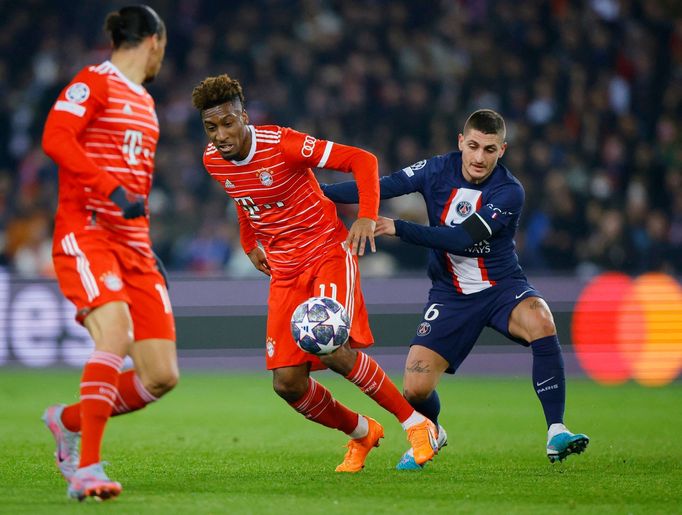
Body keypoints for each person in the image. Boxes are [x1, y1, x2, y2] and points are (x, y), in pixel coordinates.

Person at [191, 74, 439, 473]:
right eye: (211, 127)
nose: (220, 134)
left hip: (325, 253)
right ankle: (362, 432)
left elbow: (363, 160)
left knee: (330, 345)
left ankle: (416, 423)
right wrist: (248, 242)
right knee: (287, 384)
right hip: (284, 270)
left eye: (228, 122)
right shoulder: (211, 159)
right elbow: (242, 197)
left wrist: (366, 216)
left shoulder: (284, 144)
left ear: (245, 117)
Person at [322, 109, 589, 469]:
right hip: (450, 294)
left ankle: (556, 430)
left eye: (490, 149)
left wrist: (399, 227)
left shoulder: (509, 192)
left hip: (501, 287)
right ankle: (433, 429)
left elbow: (463, 239)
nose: (480, 157)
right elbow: (380, 185)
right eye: (474, 146)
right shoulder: (436, 169)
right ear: (461, 142)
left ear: (502, 150)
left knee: (540, 318)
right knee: (415, 388)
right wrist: (316, 192)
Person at [41, 5, 177, 501]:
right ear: (154, 41)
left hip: (133, 246)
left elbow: (136, 188)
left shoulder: (144, 101)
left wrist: (145, 243)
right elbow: (55, 137)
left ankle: (67, 420)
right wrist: (108, 189)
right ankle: (87, 469)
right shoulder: (92, 82)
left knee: (161, 375)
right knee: (114, 336)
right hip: (88, 231)